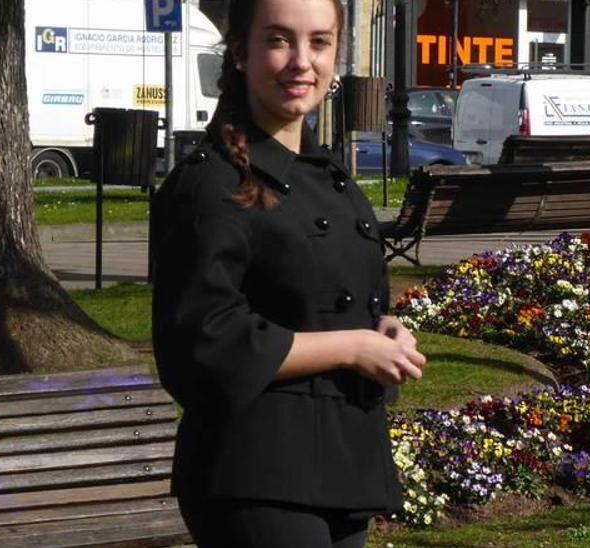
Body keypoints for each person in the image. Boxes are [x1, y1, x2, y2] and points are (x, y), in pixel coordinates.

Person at [150, 0, 426, 546]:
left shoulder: (326, 177)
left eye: (319, 42)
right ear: (239, 53)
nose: (303, 61)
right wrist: (351, 348)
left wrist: (383, 330)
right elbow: (206, 340)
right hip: (256, 472)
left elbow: (327, 299)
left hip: (342, 459)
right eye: (279, 40)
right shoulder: (208, 185)